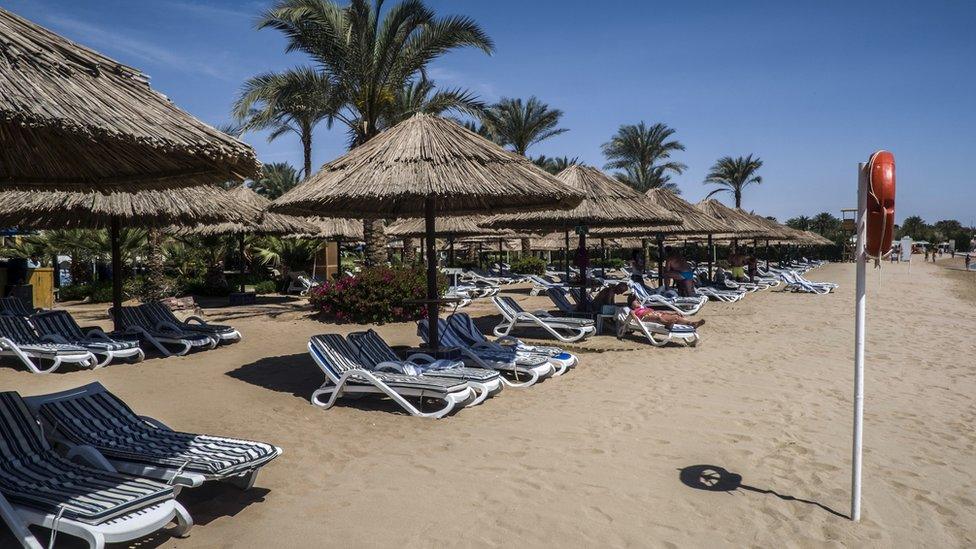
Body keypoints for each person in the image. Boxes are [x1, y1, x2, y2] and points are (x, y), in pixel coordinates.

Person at [626, 295, 705, 329]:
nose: (637, 301)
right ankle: (667, 324)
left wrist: (673, 312)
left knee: (676, 317)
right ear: (630, 304)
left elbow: (660, 311)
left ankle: (693, 324)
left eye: (637, 300)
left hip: (656, 314)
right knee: (658, 317)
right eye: (635, 301)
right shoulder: (633, 310)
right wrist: (638, 321)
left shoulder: (645, 307)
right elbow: (634, 316)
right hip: (645, 318)